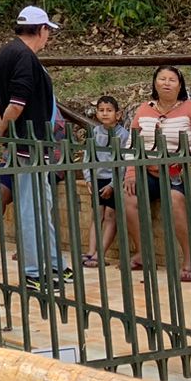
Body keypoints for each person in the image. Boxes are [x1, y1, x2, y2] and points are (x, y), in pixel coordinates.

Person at [0, 5, 66, 290]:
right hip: (30, 144)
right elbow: (17, 103)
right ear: (41, 30)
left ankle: (53, 263)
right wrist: (4, 126)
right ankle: (34, 271)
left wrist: (3, 126)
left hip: (27, 142)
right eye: (48, 31)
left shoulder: (4, 53)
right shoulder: (25, 57)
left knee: (40, 203)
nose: (48, 37)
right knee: (32, 206)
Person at [124, 66, 191, 282]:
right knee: (128, 197)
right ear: (154, 83)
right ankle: (143, 252)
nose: (166, 83)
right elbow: (131, 144)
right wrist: (131, 171)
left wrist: (184, 155)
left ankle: (190, 258)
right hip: (150, 171)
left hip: (179, 173)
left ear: (180, 85)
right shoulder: (144, 109)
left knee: (175, 200)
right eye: (161, 79)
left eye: (172, 79)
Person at [82, 95, 128, 267]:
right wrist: (88, 178)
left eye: (109, 110)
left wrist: (113, 185)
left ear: (118, 114)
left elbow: (123, 163)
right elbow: (87, 156)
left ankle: (100, 254)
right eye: (101, 110)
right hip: (97, 179)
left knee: (110, 216)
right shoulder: (94, 132)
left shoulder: (123, 135)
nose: (105, 114)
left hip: (114, 180)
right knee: (97, 215)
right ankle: (90, 251)